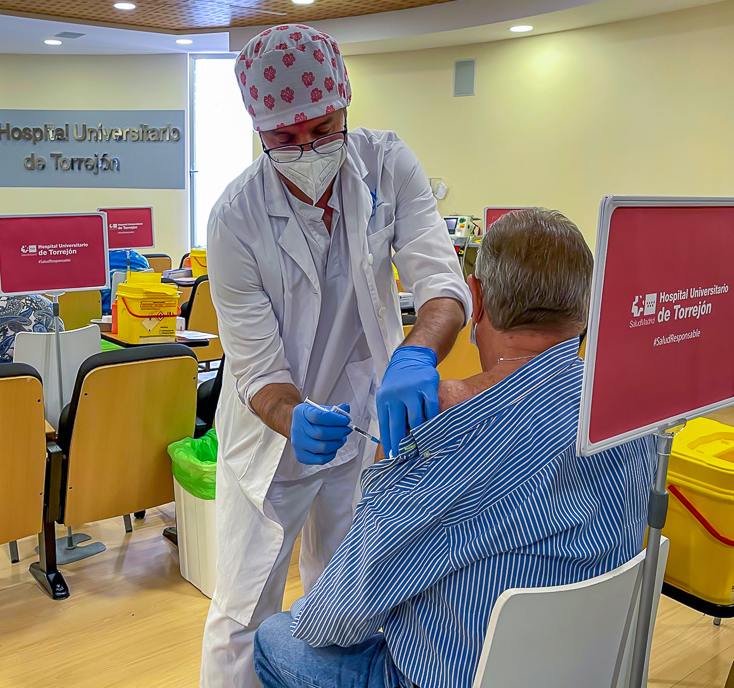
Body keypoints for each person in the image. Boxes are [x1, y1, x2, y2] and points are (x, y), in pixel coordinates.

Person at [252, 209, 655, 688]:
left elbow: (336, 615)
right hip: (583, 668)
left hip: (457, 677)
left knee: (276, 637)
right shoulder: (632, 412)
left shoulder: (445, 433)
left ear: (476, 299)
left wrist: (387, 478)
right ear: (586, 306)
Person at [200, 23, 471, 687]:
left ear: (346, 101)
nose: (308, 151)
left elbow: (442, 286)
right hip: (273, 436)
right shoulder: (234, 218)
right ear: (259, 132)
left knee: (344, 604)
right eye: (285, 140)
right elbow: (259, 369)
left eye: (323, 129)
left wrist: (417, 357)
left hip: (363, 421)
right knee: (242, 611)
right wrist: (292, 418)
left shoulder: (386, 164)